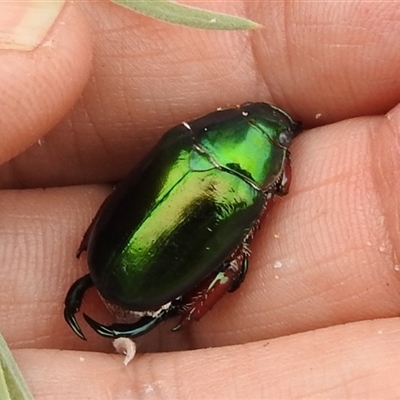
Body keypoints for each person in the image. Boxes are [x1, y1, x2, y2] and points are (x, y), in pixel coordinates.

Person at [1, 1, 400, 398]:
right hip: (131, 267)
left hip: (116, 258)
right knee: (231, 262)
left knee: (226, 258)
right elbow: (282, 190)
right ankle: (173, 311)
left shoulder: (181, 141)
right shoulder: (247, 191)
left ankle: (157, 304)